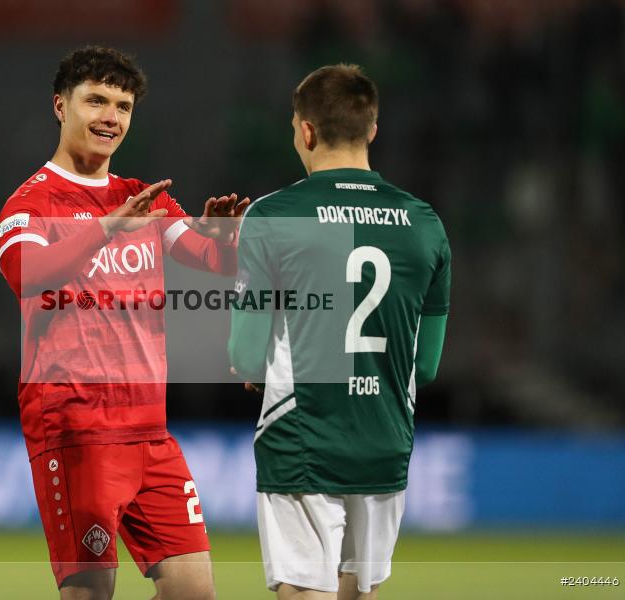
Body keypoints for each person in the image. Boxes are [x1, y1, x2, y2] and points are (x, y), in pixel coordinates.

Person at [0, 46, 247, 600]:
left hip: (149, 431)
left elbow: (214, 262)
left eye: (123, 106)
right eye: (97, 100)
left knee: (194, 593)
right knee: (90, 593)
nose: (111, 116)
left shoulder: (142, 199)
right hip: (75, 428)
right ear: (60, 106)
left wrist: (227, 238)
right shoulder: (30, 204)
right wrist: (108, 227)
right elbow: (25, 273)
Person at [228, 64, 450, 600]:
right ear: (371, 129)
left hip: (303, 439)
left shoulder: (273, 215)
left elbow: (245, 354)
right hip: (384, 441)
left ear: (305, 130)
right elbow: (426, 365)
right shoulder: (425, 223)